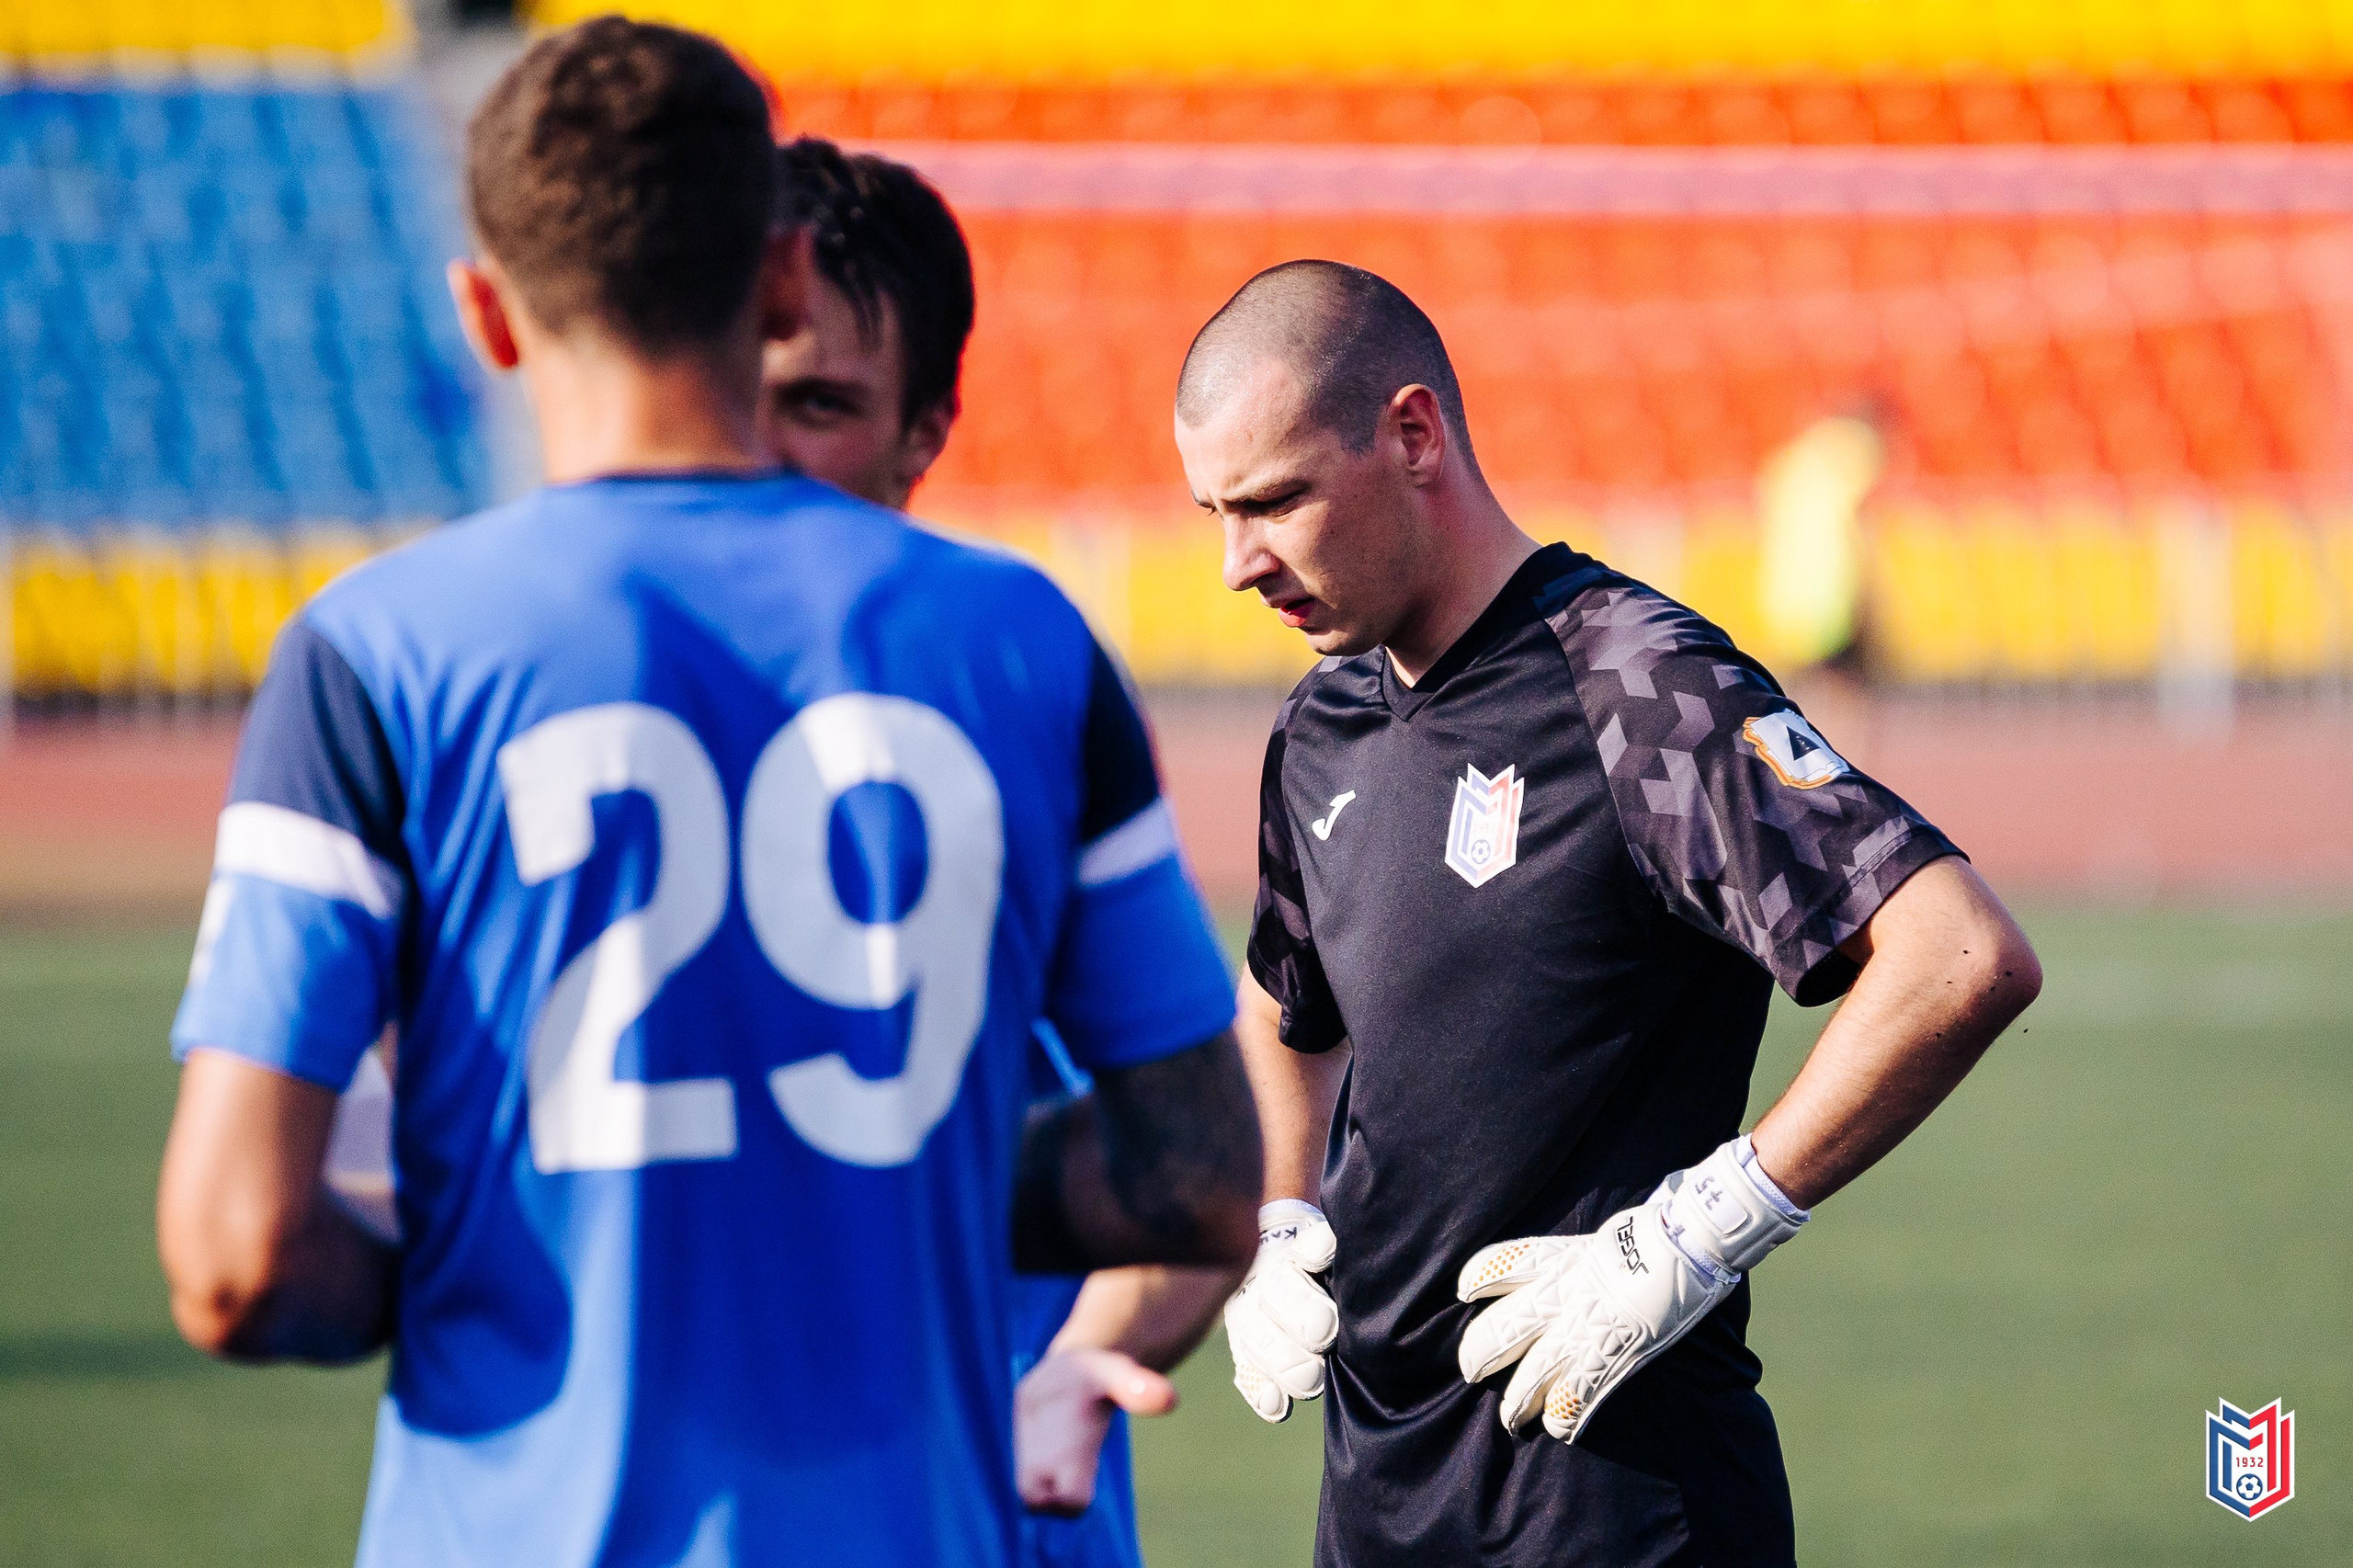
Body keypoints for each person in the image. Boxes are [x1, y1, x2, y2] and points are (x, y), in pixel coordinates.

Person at [153, 22, 1260, 1568]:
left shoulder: (369, 653)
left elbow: (234, 1257)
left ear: (485, 312)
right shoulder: (1021, 646)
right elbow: (1201, 1177)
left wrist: (515, 1206)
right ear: (787, 282)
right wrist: (864, 1180)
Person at [1173, 261, 2041, 1568]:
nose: (1241, 562)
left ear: (1415, 435)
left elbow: (1960, 953)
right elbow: (1288, 1003)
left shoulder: (1635, 682)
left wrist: (1703, 1229)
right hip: (1374, 1505)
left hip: (1620, 1507)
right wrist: (1275, 1219)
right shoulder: (1321, 722)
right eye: (1217, 512)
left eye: (1278, 499)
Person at [757, 136, 1241, 1565]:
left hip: (981, 1491)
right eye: (745, 399)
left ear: (927, 429)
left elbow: (1194, 1155)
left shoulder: (1008, 685)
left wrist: (1085, 1359)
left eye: (823, 407)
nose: (768, 454)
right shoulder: (580, 689)